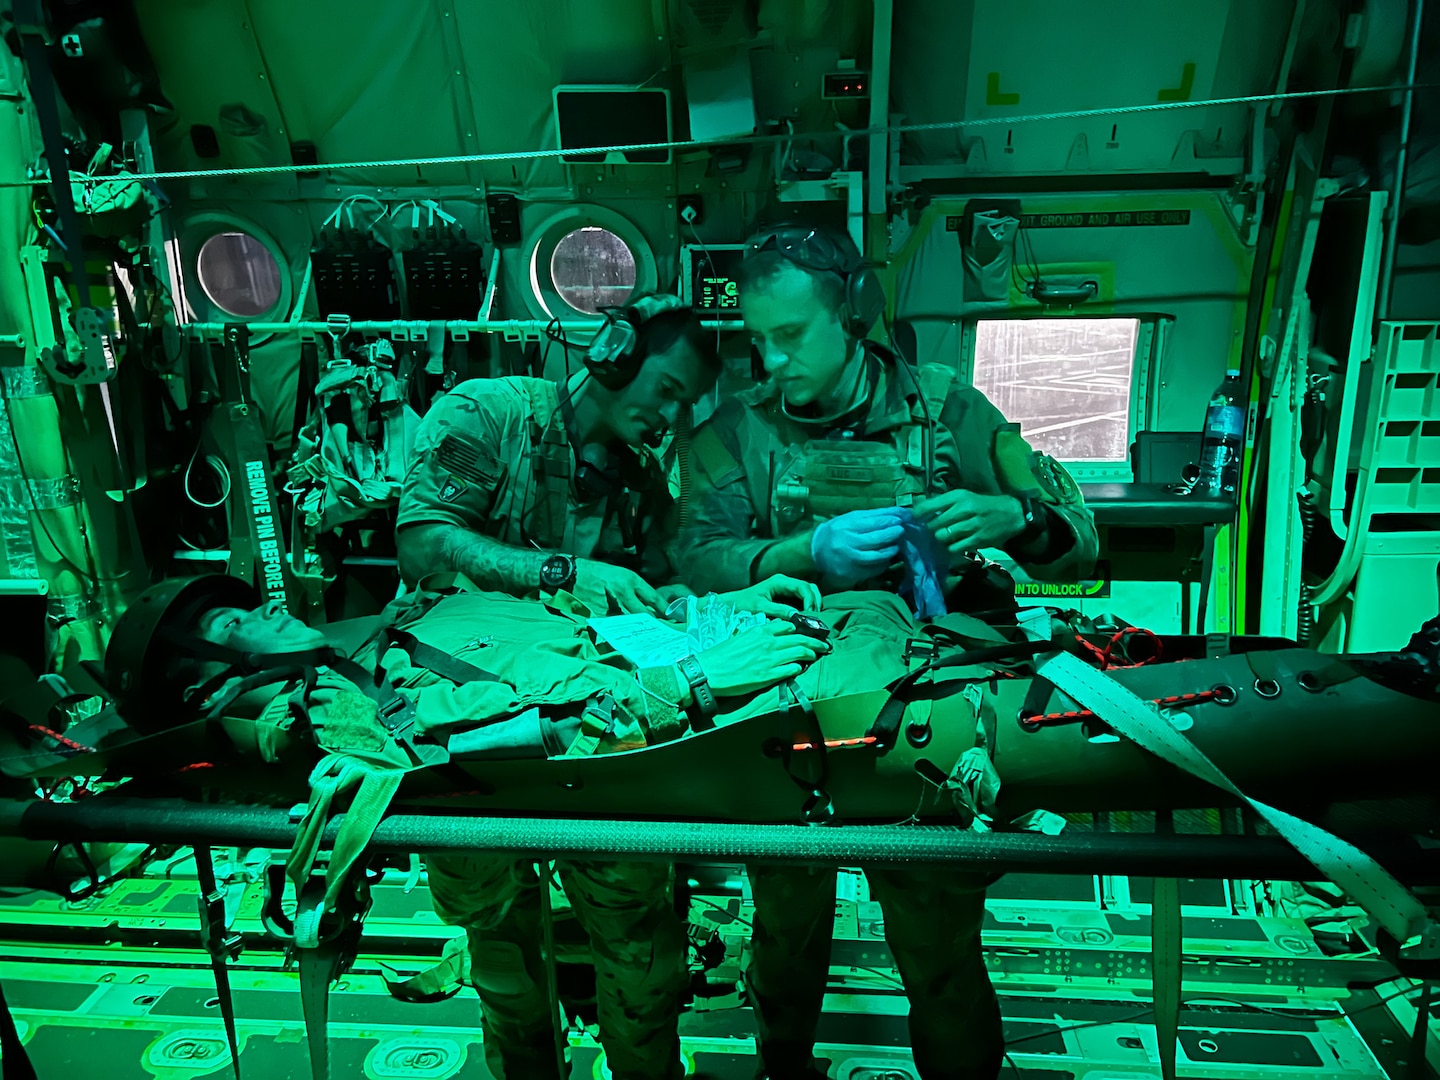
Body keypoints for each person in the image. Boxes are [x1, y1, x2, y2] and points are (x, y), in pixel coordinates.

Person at [99, 571, 828, 1080]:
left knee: (633, 972)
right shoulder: (324, 710)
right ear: (209, 683)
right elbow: (507, 736)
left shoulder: (367, 638)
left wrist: (710, 613)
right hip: (524, 803)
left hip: (594, 784)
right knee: (533, 981)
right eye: (237, 624)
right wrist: (695, 677)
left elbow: (565, 641)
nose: (267, 613)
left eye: (249, 607)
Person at [673, 226, 1099, 1080]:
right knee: (786, 930)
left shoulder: (947, 410)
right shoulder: (732, 436)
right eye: (756, 340)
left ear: (851, 316)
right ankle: (782, 1066)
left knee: (937, 945)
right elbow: (691, 558)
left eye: (790, 337)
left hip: (927, 717)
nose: (770, 361)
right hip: (795, 712)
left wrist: (1015, 518)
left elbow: (1081, 542)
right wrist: (801, 555)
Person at [396, 294, 720, 616]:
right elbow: (420, 550)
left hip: (562, 655)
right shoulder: (489, 412)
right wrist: (562, 572)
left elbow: (656, 579)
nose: (669, 414)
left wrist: (670, 599)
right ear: (617, 355)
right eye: (666, 389)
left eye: (682, 404)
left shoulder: (639, 478)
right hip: (458, 642)